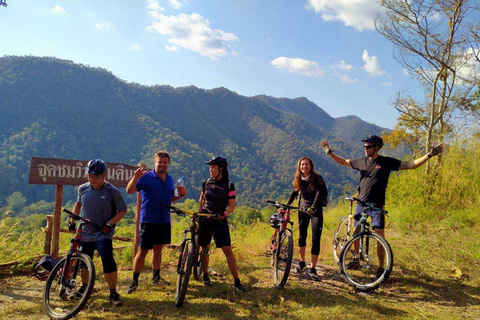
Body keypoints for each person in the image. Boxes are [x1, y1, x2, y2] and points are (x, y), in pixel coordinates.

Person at [322, 135, 445, 275]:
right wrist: (330, 153)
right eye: (364, 146)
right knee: (356, 232)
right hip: (361, 202)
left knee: (380, 238)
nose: (365, 149)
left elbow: (411, 165)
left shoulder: (386, 162)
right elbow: (344, 162)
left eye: (368, 147)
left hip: (377, 205)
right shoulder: (361, 161)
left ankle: (381, 267)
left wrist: (430, 155)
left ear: (376, 148)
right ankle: (356, 259)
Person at [125, 151, 187, 294]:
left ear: (168, 164)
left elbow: (170, 199)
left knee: (158, 249)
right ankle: (134, 281)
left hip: (164, 220)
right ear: (155, 162)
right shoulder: (146, 177)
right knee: (143, 251)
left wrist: (182, 195)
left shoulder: (170, 179)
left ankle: (156, 277)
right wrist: (135, 178)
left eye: (165, 162)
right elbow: (129, 190)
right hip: (148, 220)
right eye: (159, 162)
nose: (162, 165)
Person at [70, 159, 127, 307]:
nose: (92, 179)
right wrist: (72, 220)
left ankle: (113, 292)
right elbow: (78, 204)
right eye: (90, 176)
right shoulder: (83, 188)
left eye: (95, 176)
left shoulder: (112, 191)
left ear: (104, 175)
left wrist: (110, 223)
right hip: (85, 232)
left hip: (103, 233)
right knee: (83, 261)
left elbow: (122, 210)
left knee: (107, 259)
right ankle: (85, 287)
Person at [198, 156, 247, 292]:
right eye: (210, 167)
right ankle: (205, 275)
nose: (210, 170)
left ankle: (237, 281)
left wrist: (223, 214)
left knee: (227, 249)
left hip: (220, 219)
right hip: (205, 218)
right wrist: (199, 214)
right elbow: (201, 200)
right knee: (205, 248)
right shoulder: (206, 182)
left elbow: (231, 206)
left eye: (213, 167)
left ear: (221, 169)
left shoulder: (229, 185)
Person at [286, 157, 328, 280]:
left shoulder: (317, 178)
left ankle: (313, 268)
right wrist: (286, 206)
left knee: (316, 238)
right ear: (299, 167)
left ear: (311, 166)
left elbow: (320, 193)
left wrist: (314, 206)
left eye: (306, 164)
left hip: (316, 211)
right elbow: (294, 193)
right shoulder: (299, 179)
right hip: (303, 210)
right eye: (302, 165)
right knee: (301, 236)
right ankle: (302, 262)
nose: (304, 166)